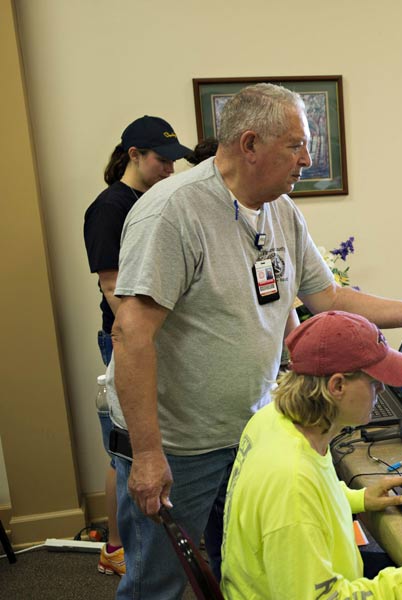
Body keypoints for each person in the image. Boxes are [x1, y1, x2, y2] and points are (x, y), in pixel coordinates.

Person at [106, 83, 402, 600]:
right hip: (179, 445)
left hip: (243, 428)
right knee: (161, 585)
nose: (307, 159)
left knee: (235, 568)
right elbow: (130, 333)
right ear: (251, 144)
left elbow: (327, 296)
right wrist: (148, 455)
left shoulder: (279, 209)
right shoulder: (173, 212)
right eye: (296, 145)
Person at [221, 311, 402, 599]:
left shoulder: (274, 419)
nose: (382, 388)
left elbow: (311, 502)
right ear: (337, 386)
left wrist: (359, 498)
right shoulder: (291, 480)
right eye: (373, 381)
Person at [82, 115, 192, 577]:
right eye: (161, 161)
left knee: (136, 445)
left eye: (173, 162)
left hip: (152, 338)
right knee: (128, 449)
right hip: (127, 339)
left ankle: (126, 544)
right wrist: (140, 339)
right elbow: (114, 287)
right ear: (133, 155)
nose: (169, 170)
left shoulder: (152, 200)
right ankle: (116, 547)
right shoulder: (110, 207)